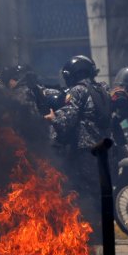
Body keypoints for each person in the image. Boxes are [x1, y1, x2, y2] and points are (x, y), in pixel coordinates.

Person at [44, 55, 111, 243]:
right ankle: (103, 231)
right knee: (101, 190)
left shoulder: (78, 91)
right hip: (105, 149)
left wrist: (53, 117)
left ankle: (90, 233)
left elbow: (68, 119)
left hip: (85, 149)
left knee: (84, 190)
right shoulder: (103, 88)